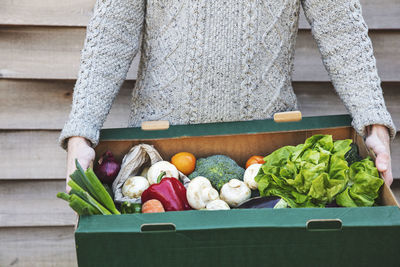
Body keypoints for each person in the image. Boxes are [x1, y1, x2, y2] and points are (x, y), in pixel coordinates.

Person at [60, 0, 396, 192]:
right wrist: (81, 131)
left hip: (267, 164)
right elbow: (112, 33)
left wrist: (373, 120)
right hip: (159, 162)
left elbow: (342, 29)